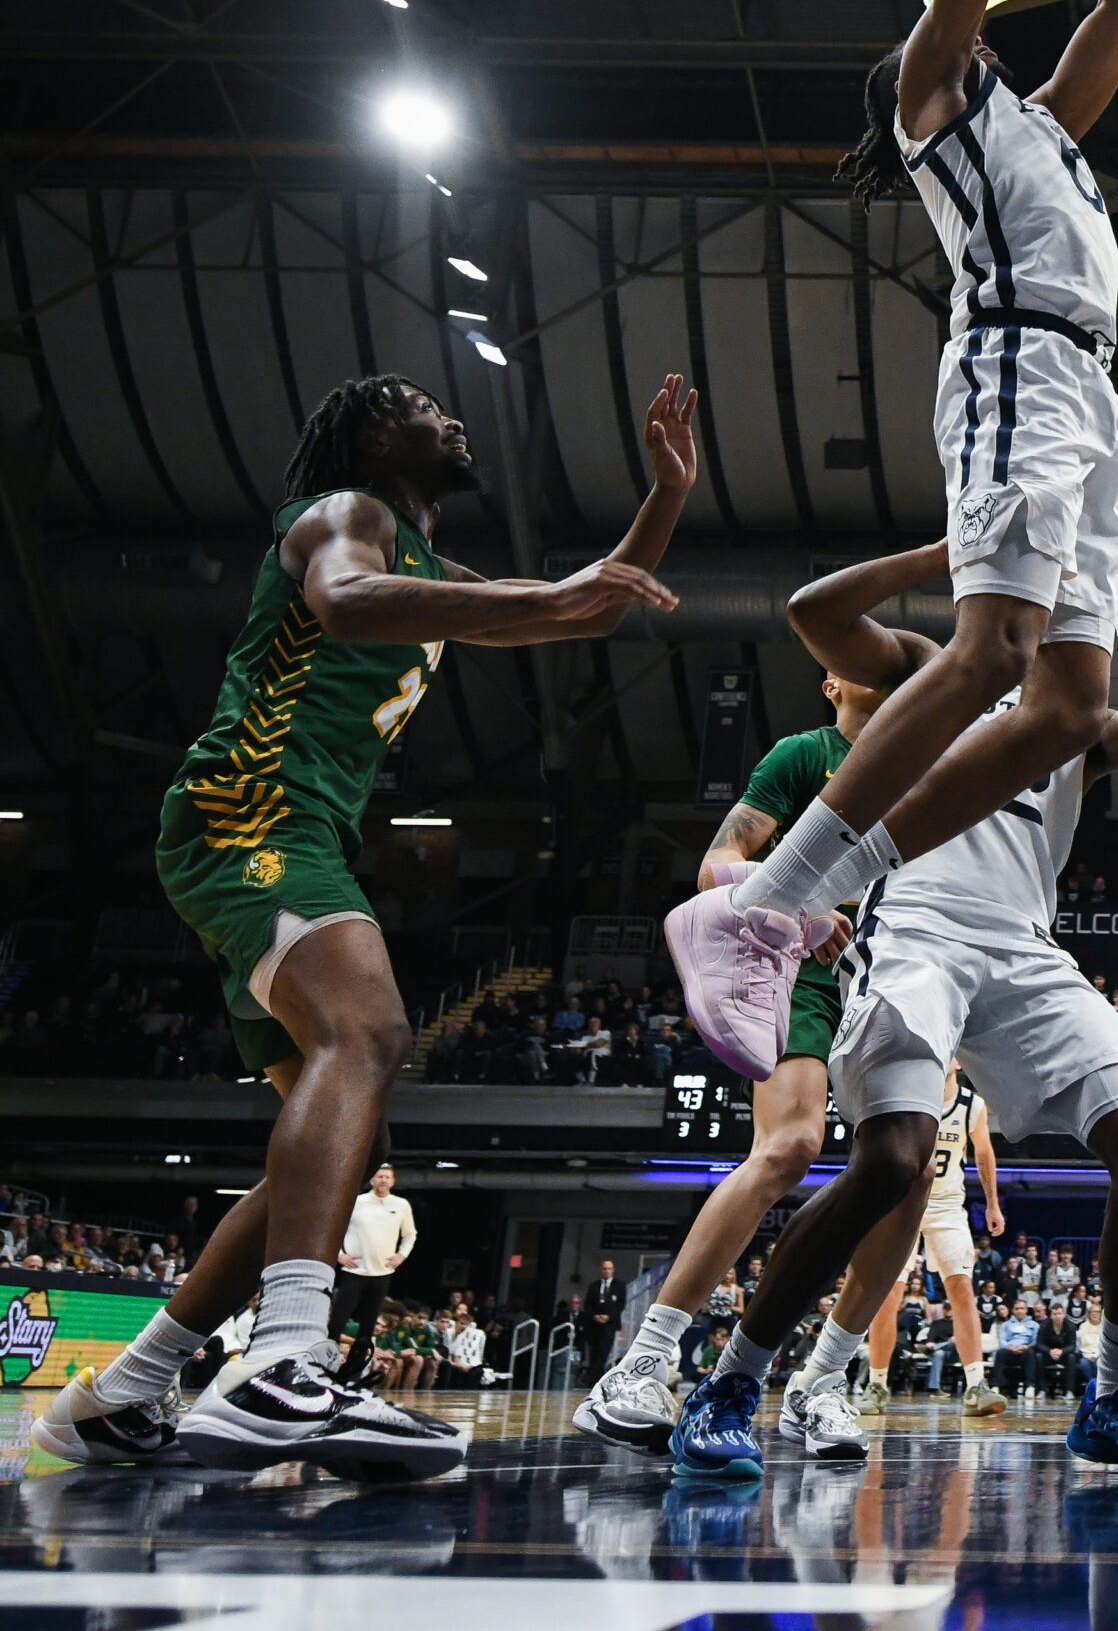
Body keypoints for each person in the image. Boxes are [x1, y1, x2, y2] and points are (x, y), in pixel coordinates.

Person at [38, 370, 699, 1479]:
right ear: (365, 439)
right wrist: (544, 598)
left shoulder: (430, 563)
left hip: (295, 828)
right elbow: (347, 603)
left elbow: (587, 599)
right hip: (254, 807)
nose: (445, 411)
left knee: (345, 1142)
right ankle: (282, 1360)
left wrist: (666, 495)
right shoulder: (352, 517)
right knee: (375, 1033)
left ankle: (125, 1391)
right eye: (413, 400)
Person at [666, 0, 1118, 1072]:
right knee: (990, 655)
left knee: (1064, 713)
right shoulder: (935, 107)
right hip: (1013, 370)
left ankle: (801, 898)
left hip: (1087, 399)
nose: (978, 14)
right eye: (961, 1)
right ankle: (764, 909)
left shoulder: (1045, 121)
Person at [670, 526, 1118, 1479]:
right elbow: (813, 614)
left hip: (1024, 945)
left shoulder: (1073, 717)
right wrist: (948, 555)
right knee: (890, 1165)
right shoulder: (940, 667)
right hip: (912, 924)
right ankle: (730, 1386)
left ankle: (1116, 1398)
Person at [576, 664, 918, 1456]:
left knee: (910, 1178)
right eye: (859, 660)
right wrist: (800, 906)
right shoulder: (803, 755)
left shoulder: (923, 761)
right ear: (831, 682)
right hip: (804, 968)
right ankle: (646, 1358)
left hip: (904, 975)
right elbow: (716, 865)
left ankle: (821, 1379)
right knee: (790, 1147)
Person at [852, 1062, 1007, 1419]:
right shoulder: (910, 1097)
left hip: (947, 1205)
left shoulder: (973, 1105)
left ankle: (975, 1385)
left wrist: (993, 1205)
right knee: (889, 1294)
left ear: (959, 1061)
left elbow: (984, 1155)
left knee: (962, 1289)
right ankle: (877, 1384)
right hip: (901, 1204)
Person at [332, 1161, 416, 1385]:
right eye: (379, 1176)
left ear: (393, 1181)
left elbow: (410, 1235)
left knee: (367, 1329)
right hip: (354, 1271)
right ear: (372, 1179)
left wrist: (401, 1255)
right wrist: (340, 1254)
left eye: (387, 1177)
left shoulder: (401, 1205)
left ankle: (353, 1376)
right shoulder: (356, 1202)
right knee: (336, 1324)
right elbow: (334, 1227)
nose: (383, 1180)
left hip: (381, 1274)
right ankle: (326, 1370)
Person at [578, 1258, 625, 1383]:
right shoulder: (594, 1286)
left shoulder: (619, 1286)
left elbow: (621, 1305)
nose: (606, 1271)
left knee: (604, 1351)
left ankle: (596, 1377)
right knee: (594, 1351)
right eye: (604, 1268)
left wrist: (608, 1317)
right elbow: (587, 1305)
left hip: (609, 1325)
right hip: (594, 1325)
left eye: (609, 1269)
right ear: (601, 1270)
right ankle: (592, 1378)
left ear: (613, 1270)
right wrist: (594, 1316)